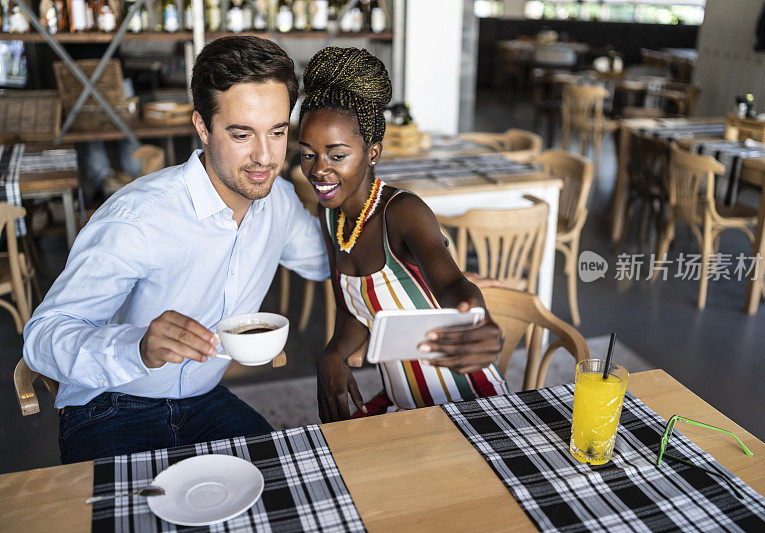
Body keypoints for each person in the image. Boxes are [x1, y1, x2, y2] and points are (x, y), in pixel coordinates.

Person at [23, 36, 331, 463]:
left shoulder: (276, 200)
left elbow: (329, 262)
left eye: (277, 132)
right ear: (203, 127)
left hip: (204, 399)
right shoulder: (138, 218)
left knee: (285, 490)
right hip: (110, 406)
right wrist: (138, 347)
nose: (265, 156)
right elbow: (42, 337)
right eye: (242, 134)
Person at [299, 47, 507, 422]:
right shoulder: (330, 215)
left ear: (372, 151)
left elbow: (453, 285)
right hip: (403, 404)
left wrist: (475, 315)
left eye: (337, 155)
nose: (319, 171)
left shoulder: (402, 212)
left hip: (465, 402)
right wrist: (331, 354)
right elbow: (353, 312)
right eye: (308, 154)